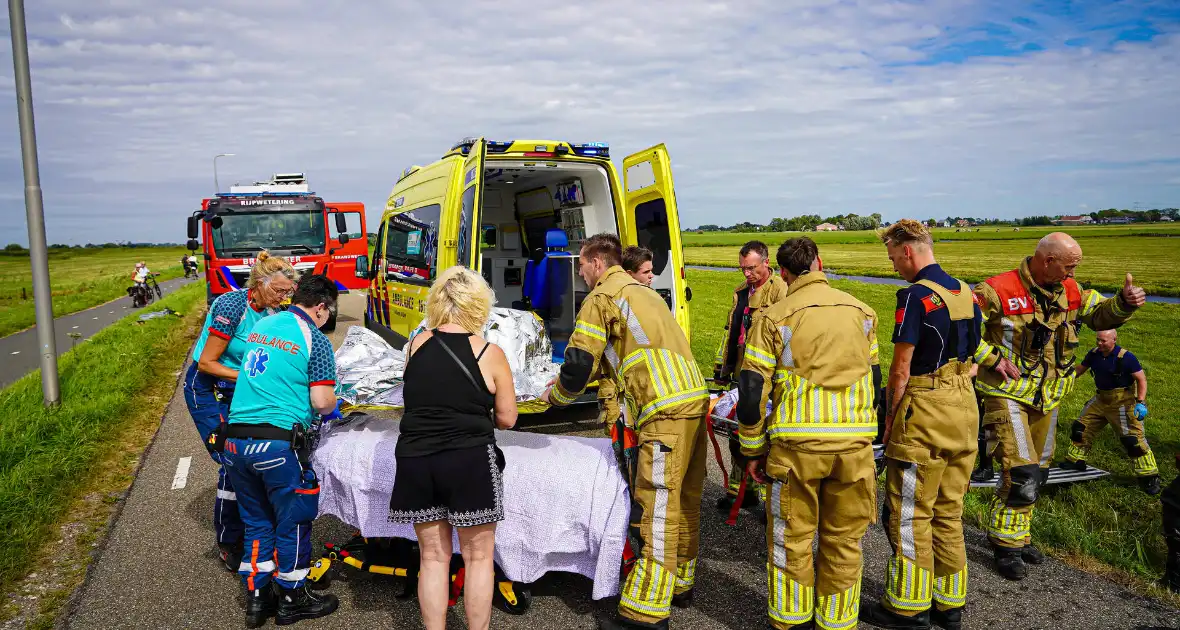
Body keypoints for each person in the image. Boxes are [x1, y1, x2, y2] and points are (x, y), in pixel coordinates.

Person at [542, 233, 708, 630]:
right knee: (683, 501)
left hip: (662, 409)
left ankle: (645, 614)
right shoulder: (645, 294)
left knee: (657, 509)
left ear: (597, 263)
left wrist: (557, 398)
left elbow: (580, 361)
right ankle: (677, 584)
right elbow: (625, 352)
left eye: (581, 264)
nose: (579, 271)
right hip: (693, 403)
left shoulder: (601, 297)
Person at [973, 232, 1145, 580]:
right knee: (1019, 470)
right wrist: (989, 358)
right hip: (1008, 394)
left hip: (1049, 396)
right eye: (1068, 266)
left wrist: (1124, 303)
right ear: (1047, 260)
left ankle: (1018, 535)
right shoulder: (995, 290)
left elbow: (1100, 316)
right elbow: (960, 327)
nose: (1072, 272)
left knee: (1038, 471)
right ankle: (1005, 546)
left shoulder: (1073, 291)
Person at [739, 237, 881, 630]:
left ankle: (791, 620)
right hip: (854, 446)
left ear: (782, 272)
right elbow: (876, 380)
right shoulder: (863, 312)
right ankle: (837, 621)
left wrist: (752, 450)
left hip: (797, 449)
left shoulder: (772, 317)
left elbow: (752, 391)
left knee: (792, 539)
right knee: (844, 540)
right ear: (820, 262)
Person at [860, 220, 985, 630]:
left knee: (910, 513)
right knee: (949, 511)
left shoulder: (915, 296)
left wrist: (890, 420)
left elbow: (900, 368)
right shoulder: (966, 292)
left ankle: (907, 608)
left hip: (927, 409)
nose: (893, 264)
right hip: (965, 407)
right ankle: (950, 606)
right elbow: (978, 351)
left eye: (893, 257)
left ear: (908, 251)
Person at [388, 266, 518, 630]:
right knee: (478, 557)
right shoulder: (489, 353)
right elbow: (507, 418)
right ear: (479, 305)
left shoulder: (415, 345)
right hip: (469, 460)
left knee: (432, 557)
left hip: (416, 458)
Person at [222, 274, 340, 627]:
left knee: (256, 521)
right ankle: (292, 597)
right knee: (293, 520)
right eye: (328, 312)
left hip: (236, 441)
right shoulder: (315, 340)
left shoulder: (266, 322)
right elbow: (321, 401)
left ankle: (258, 599)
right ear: (320, 307)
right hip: (276, 444)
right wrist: (336, 406)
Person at [183, 251, 296, 572]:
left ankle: (255, 531)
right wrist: (254, 377)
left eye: (288, 292)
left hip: (239, 390)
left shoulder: (272, 312)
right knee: (231, 463)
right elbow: (207, 363)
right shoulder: (233, 306)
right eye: (279, 290)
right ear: (259, 284)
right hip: (208, 389)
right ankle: (229, 541)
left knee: (251, 459)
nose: (283, 297)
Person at [713, 241, 788, 513]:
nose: (746, 274)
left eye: (752, 268)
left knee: (766, 437)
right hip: (742, 372)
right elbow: (731, 333)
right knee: (739, 432)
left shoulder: (781, 291)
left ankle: (771, 502)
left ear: (767, 262)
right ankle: (741, 493)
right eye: (742, 268)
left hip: (766, 376)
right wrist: (723, 370)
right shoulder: (741, 292)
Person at [1060, 330, 1159, 494]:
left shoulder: (1126, 358)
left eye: (1103, 341)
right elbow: (1081, 369)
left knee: (1132, 440)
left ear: (1114, 340)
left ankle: (1149, 476)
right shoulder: (1094, 353)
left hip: (1122, 402)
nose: (1099, 344)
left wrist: (1140, 402)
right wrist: (1064, 380)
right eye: (1098, 340)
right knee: (1080, 428)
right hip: (1101, 399)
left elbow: (1141, 379)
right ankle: (1075, 461)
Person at [596, 246, 657, 430]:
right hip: (620, 388)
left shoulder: (650, 299)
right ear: (629, 274)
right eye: (646, 271)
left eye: (651, 270)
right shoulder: (617, 303)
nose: (651, 276)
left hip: (641, 387)